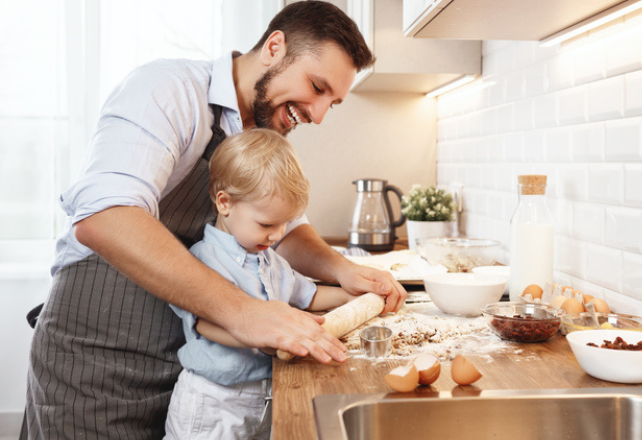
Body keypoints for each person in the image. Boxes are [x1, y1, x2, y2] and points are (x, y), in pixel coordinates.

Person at [21, 1, 408, 439]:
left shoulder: (262, 137)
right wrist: (244, 313)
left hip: (193, 361)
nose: (318, 114)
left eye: (331, 104)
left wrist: (345, 271)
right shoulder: (168, 89)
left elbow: (289, 231)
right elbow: (106, 216)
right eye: (317, 87)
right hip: (100, 352)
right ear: (275, 47)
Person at [164, 128, 356, 439]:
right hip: (214, 404)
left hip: (263, 399)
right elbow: (204, 325)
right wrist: (257, 336)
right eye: (267, 224)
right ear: (225, 203)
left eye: (285, 223)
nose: (278, 235)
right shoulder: (204, 260)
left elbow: (310, 294)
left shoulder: (272, 261)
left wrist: (351, 298)